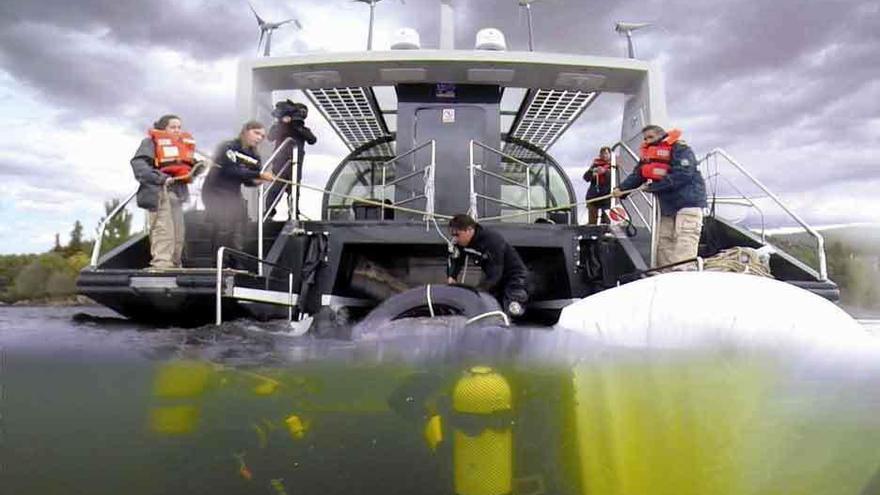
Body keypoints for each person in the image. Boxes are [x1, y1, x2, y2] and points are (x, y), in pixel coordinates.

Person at [612, 125, 707, 269]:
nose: (647, 141)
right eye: (645, 138)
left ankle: (683, 275)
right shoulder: (649, 155)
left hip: (688, 202)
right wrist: (622, 190)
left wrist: (653, 187)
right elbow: (638, 175)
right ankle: (665, 274)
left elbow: (684, 173)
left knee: (685, 240)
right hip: (667, 206)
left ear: (661, 135)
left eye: (650, 137)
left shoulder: (680, 149)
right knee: (664, 242)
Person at [201, 120, 274, 266]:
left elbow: (247, 180)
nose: (259, 138)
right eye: (256, 133)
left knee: (240, 224)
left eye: (262, 136)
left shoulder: (255, 157)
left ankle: (234, 260)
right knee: (223, 224)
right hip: (215, 191)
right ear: (246, 131)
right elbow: (230, 169)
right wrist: (259, 174)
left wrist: (258, 181)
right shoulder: (228, 147)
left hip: (233, 193)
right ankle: (220, 263)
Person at [130, 114, 198, 269]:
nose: (177, 130)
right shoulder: (150, 143)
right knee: (163, 231)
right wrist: (161, 178)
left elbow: (183, 170)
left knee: (178, 234)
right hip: (159, 193)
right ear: (163, 128)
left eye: (179, 128)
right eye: (173, 127)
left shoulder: (182, 146)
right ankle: (161, 265)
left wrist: (196, 169)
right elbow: (139, 165)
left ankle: (174, 264)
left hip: (177, 195)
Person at [446, 214, 529, 316]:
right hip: (492, 275)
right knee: (489, 303)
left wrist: (479, 291)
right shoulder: (460, 243)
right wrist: (452, 276)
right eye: (453, 235)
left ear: (469, 230)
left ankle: (514, 318)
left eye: (457, 235)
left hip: (512, 275)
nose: (455, 239)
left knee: (512, 304)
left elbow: (495, 273)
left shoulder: (491, 240)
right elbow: (456, 259)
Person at [265, 99, 317, 219]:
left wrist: (296, 127)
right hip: (281, 161)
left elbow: (312, 140)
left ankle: (293, 212)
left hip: (295, 162)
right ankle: (269, 211)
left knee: (294, 188)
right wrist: (283, 123)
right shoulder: (280, 126)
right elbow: (270, 137)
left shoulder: (301, 128)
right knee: (277, 186)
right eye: (301, 111)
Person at [583, 146, 613, 224]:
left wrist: (605, 172)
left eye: (606, 153)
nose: (604, 155)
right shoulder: (595, 165)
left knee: (606, 220)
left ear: (610, 154)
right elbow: (586, 178)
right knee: (592, 221)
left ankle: (605, 232)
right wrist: (591, 171)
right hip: (594, 196)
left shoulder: (613, 165)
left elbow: (614, 179)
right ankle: (592, 232)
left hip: (607, 196)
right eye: (602, 153)